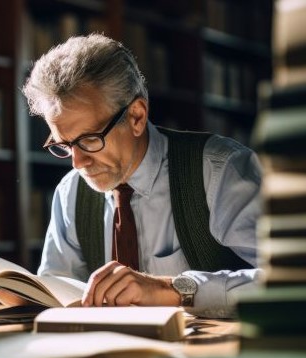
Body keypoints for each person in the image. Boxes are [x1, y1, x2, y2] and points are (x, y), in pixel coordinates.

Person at [21, 33, 263, 318]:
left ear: (136, 116)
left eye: (89, 139)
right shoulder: (70, 193)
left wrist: (173, 290)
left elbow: (290, 282)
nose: (77, 162)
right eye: (64, 144)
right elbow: (58, 291)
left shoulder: (221, 170)